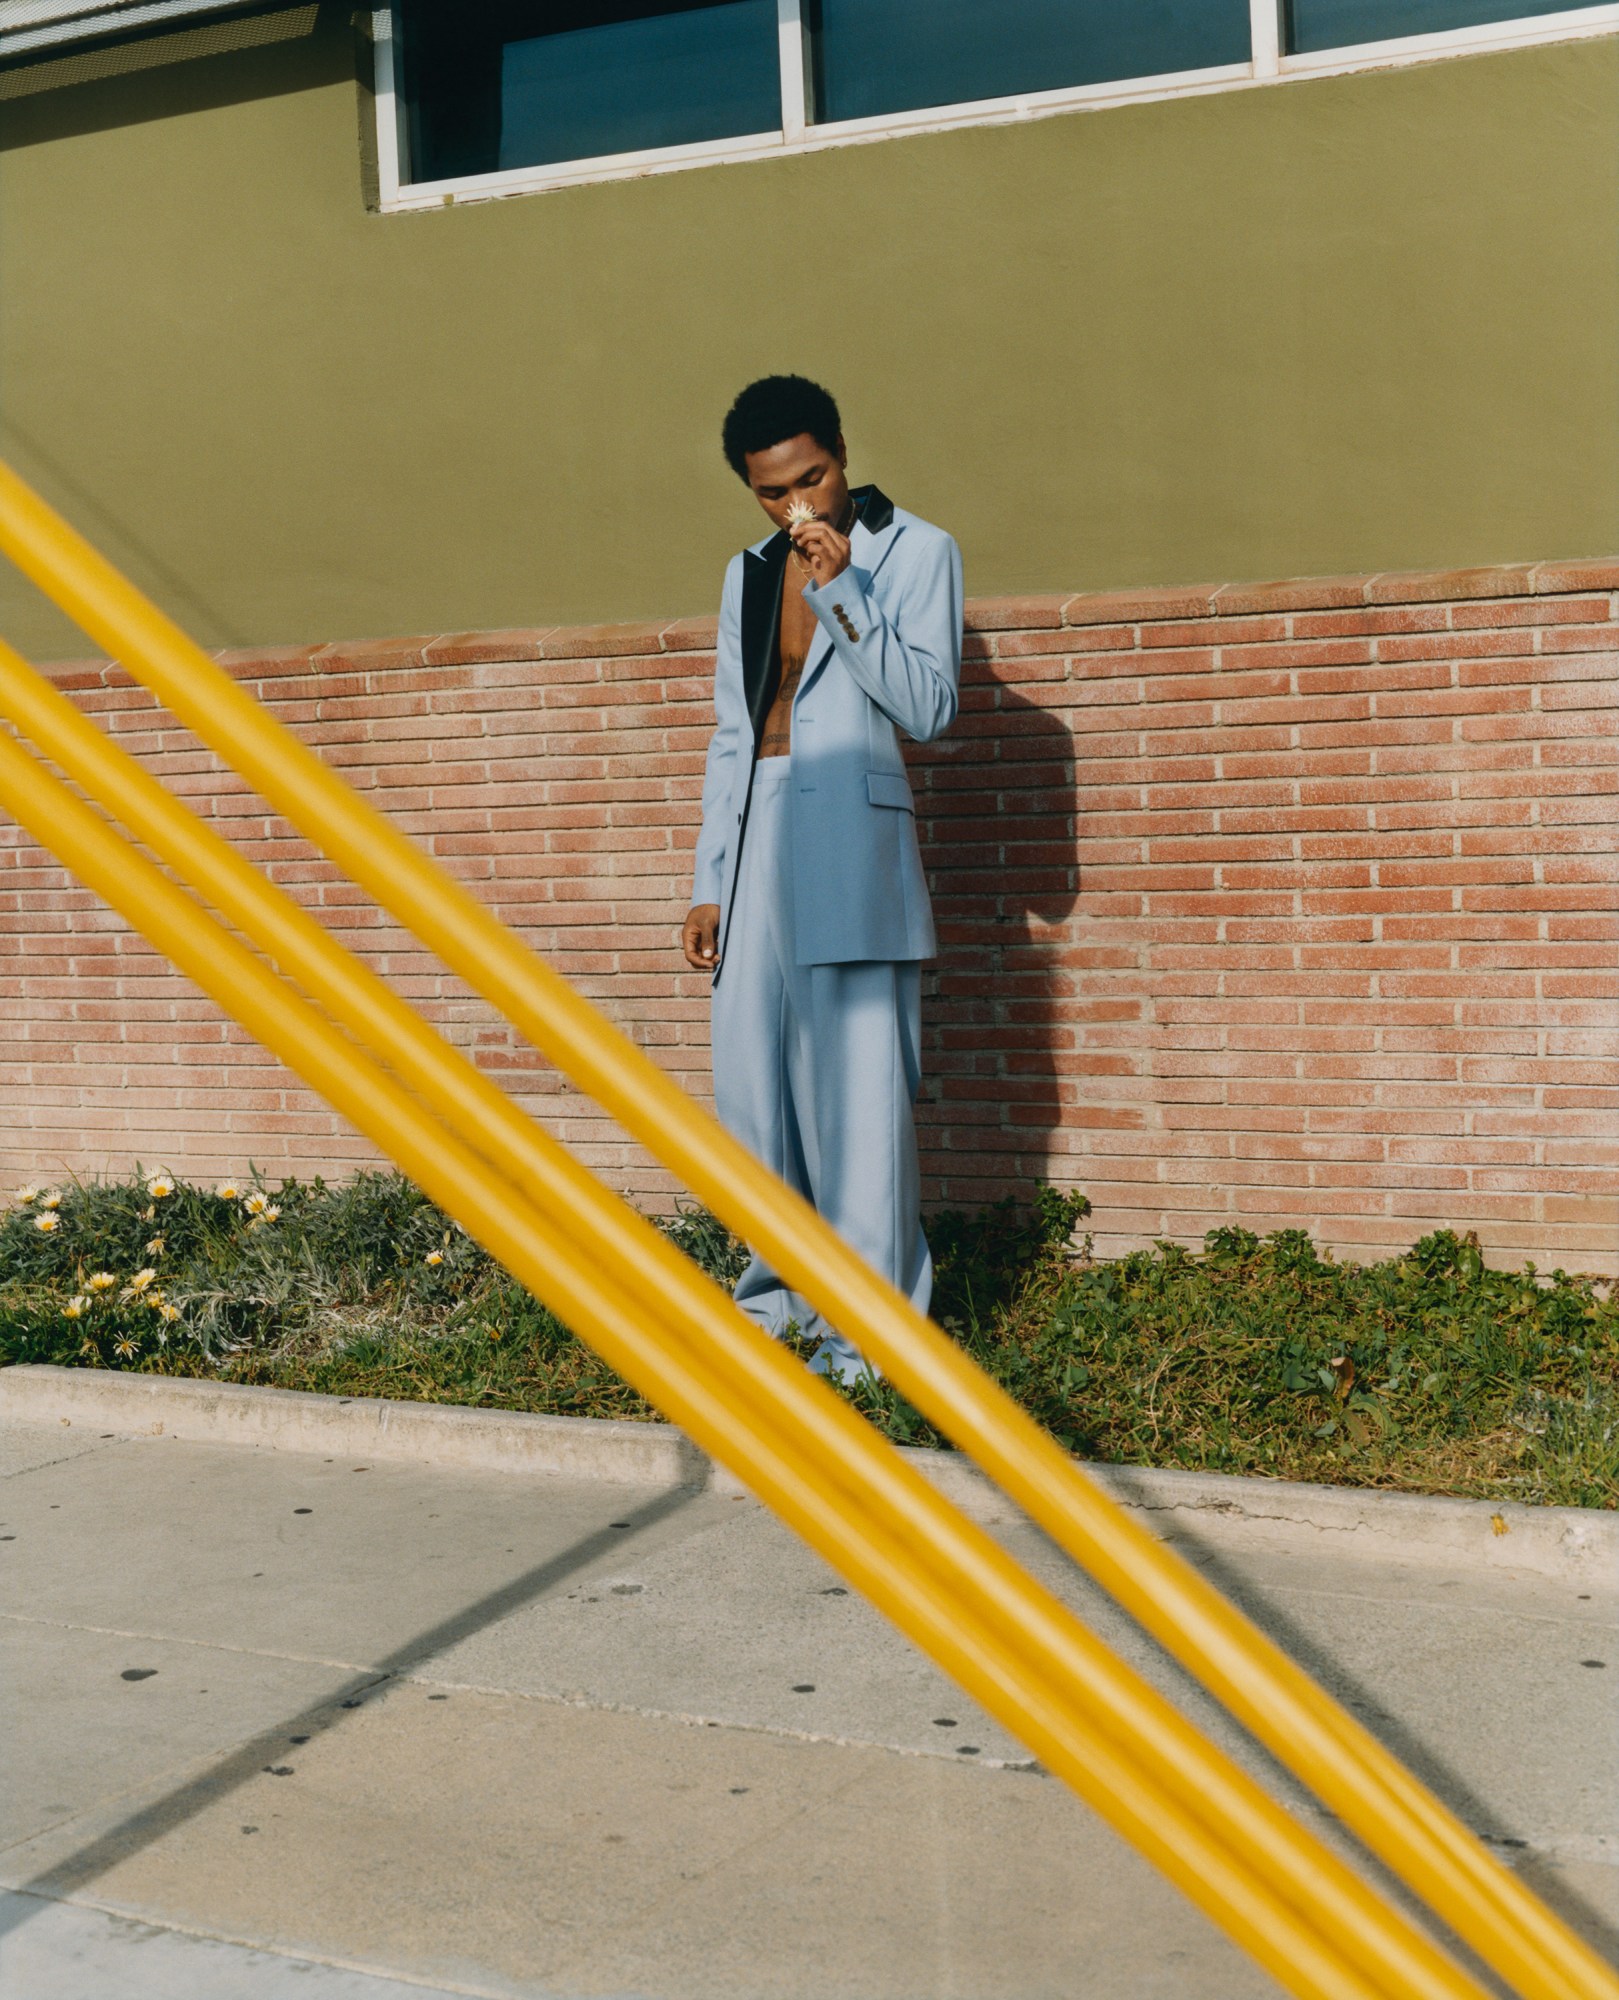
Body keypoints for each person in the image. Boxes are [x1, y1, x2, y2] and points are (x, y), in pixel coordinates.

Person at [682, 375, 963, 1384]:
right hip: (757, 827)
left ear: (842, 452)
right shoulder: (746, 573)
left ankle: (872, 1342)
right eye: (772, 492)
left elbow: (926, 705)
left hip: (852, 830)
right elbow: (731, 729)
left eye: (812, 478)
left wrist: (843, 588)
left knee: (859, 1100)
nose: (796, 505)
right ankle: (774, 1314)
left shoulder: (917, 550)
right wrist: (710, 876)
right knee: (753, 1094)